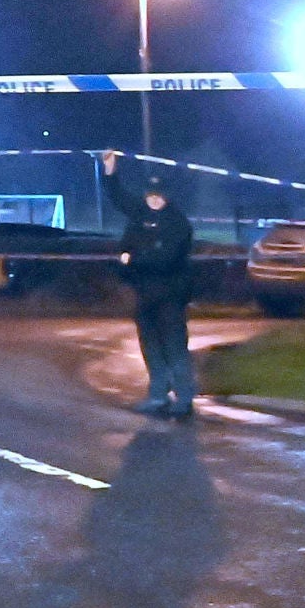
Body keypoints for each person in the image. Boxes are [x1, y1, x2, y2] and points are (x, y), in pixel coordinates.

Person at [102, 150, 197, 417]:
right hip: (144, 294)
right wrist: (110, 169)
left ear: (166, 197)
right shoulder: (140, 213)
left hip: (170, 294)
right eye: (150, 195)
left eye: (159, 196)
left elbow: (165, 258)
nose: (154, 200)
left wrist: (131, 259)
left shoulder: (178, 223)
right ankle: (158, 394)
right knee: (151, 344)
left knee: (175, 344)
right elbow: (117, 196)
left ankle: (184, 396)